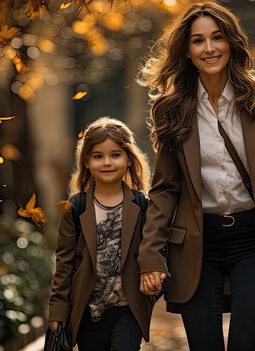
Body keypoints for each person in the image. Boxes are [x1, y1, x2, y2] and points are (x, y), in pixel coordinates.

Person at [136, 2, 255, 350]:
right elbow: (165, 189)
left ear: (232, 42)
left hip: (254, 241)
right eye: (198, 41)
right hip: (197, 245)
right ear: (187, 50)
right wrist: (150, 256)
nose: (209, 48)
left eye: (217, 37)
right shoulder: (171, 110)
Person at [47, 117, 153, 351]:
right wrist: (57, 309)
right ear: (86, 162)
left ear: (128, 159)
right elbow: (64, 262)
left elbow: (153, 249)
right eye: (98, 156)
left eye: (115, 155)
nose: (107, 162)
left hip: (128, 310)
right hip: (87, 312)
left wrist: (154, 281)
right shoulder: (76, 207)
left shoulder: (141, 204)